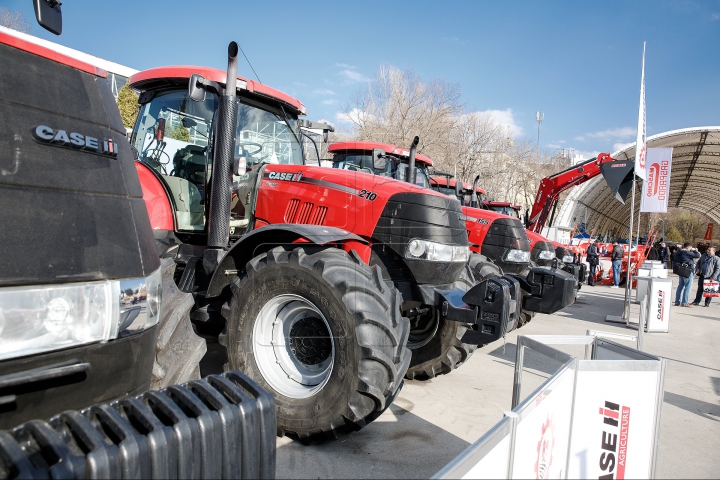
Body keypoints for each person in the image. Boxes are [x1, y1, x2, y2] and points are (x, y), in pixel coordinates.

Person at [674, 242, 700, 307]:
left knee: (680, 286)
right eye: (691, 248)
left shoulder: (679, 252)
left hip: (681, 270)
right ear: (688, 247)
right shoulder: (686, 252)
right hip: (687, 270)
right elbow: (697, 255)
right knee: (688, 287)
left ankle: (677, 301)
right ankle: (684, 302)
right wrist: (694, 250)